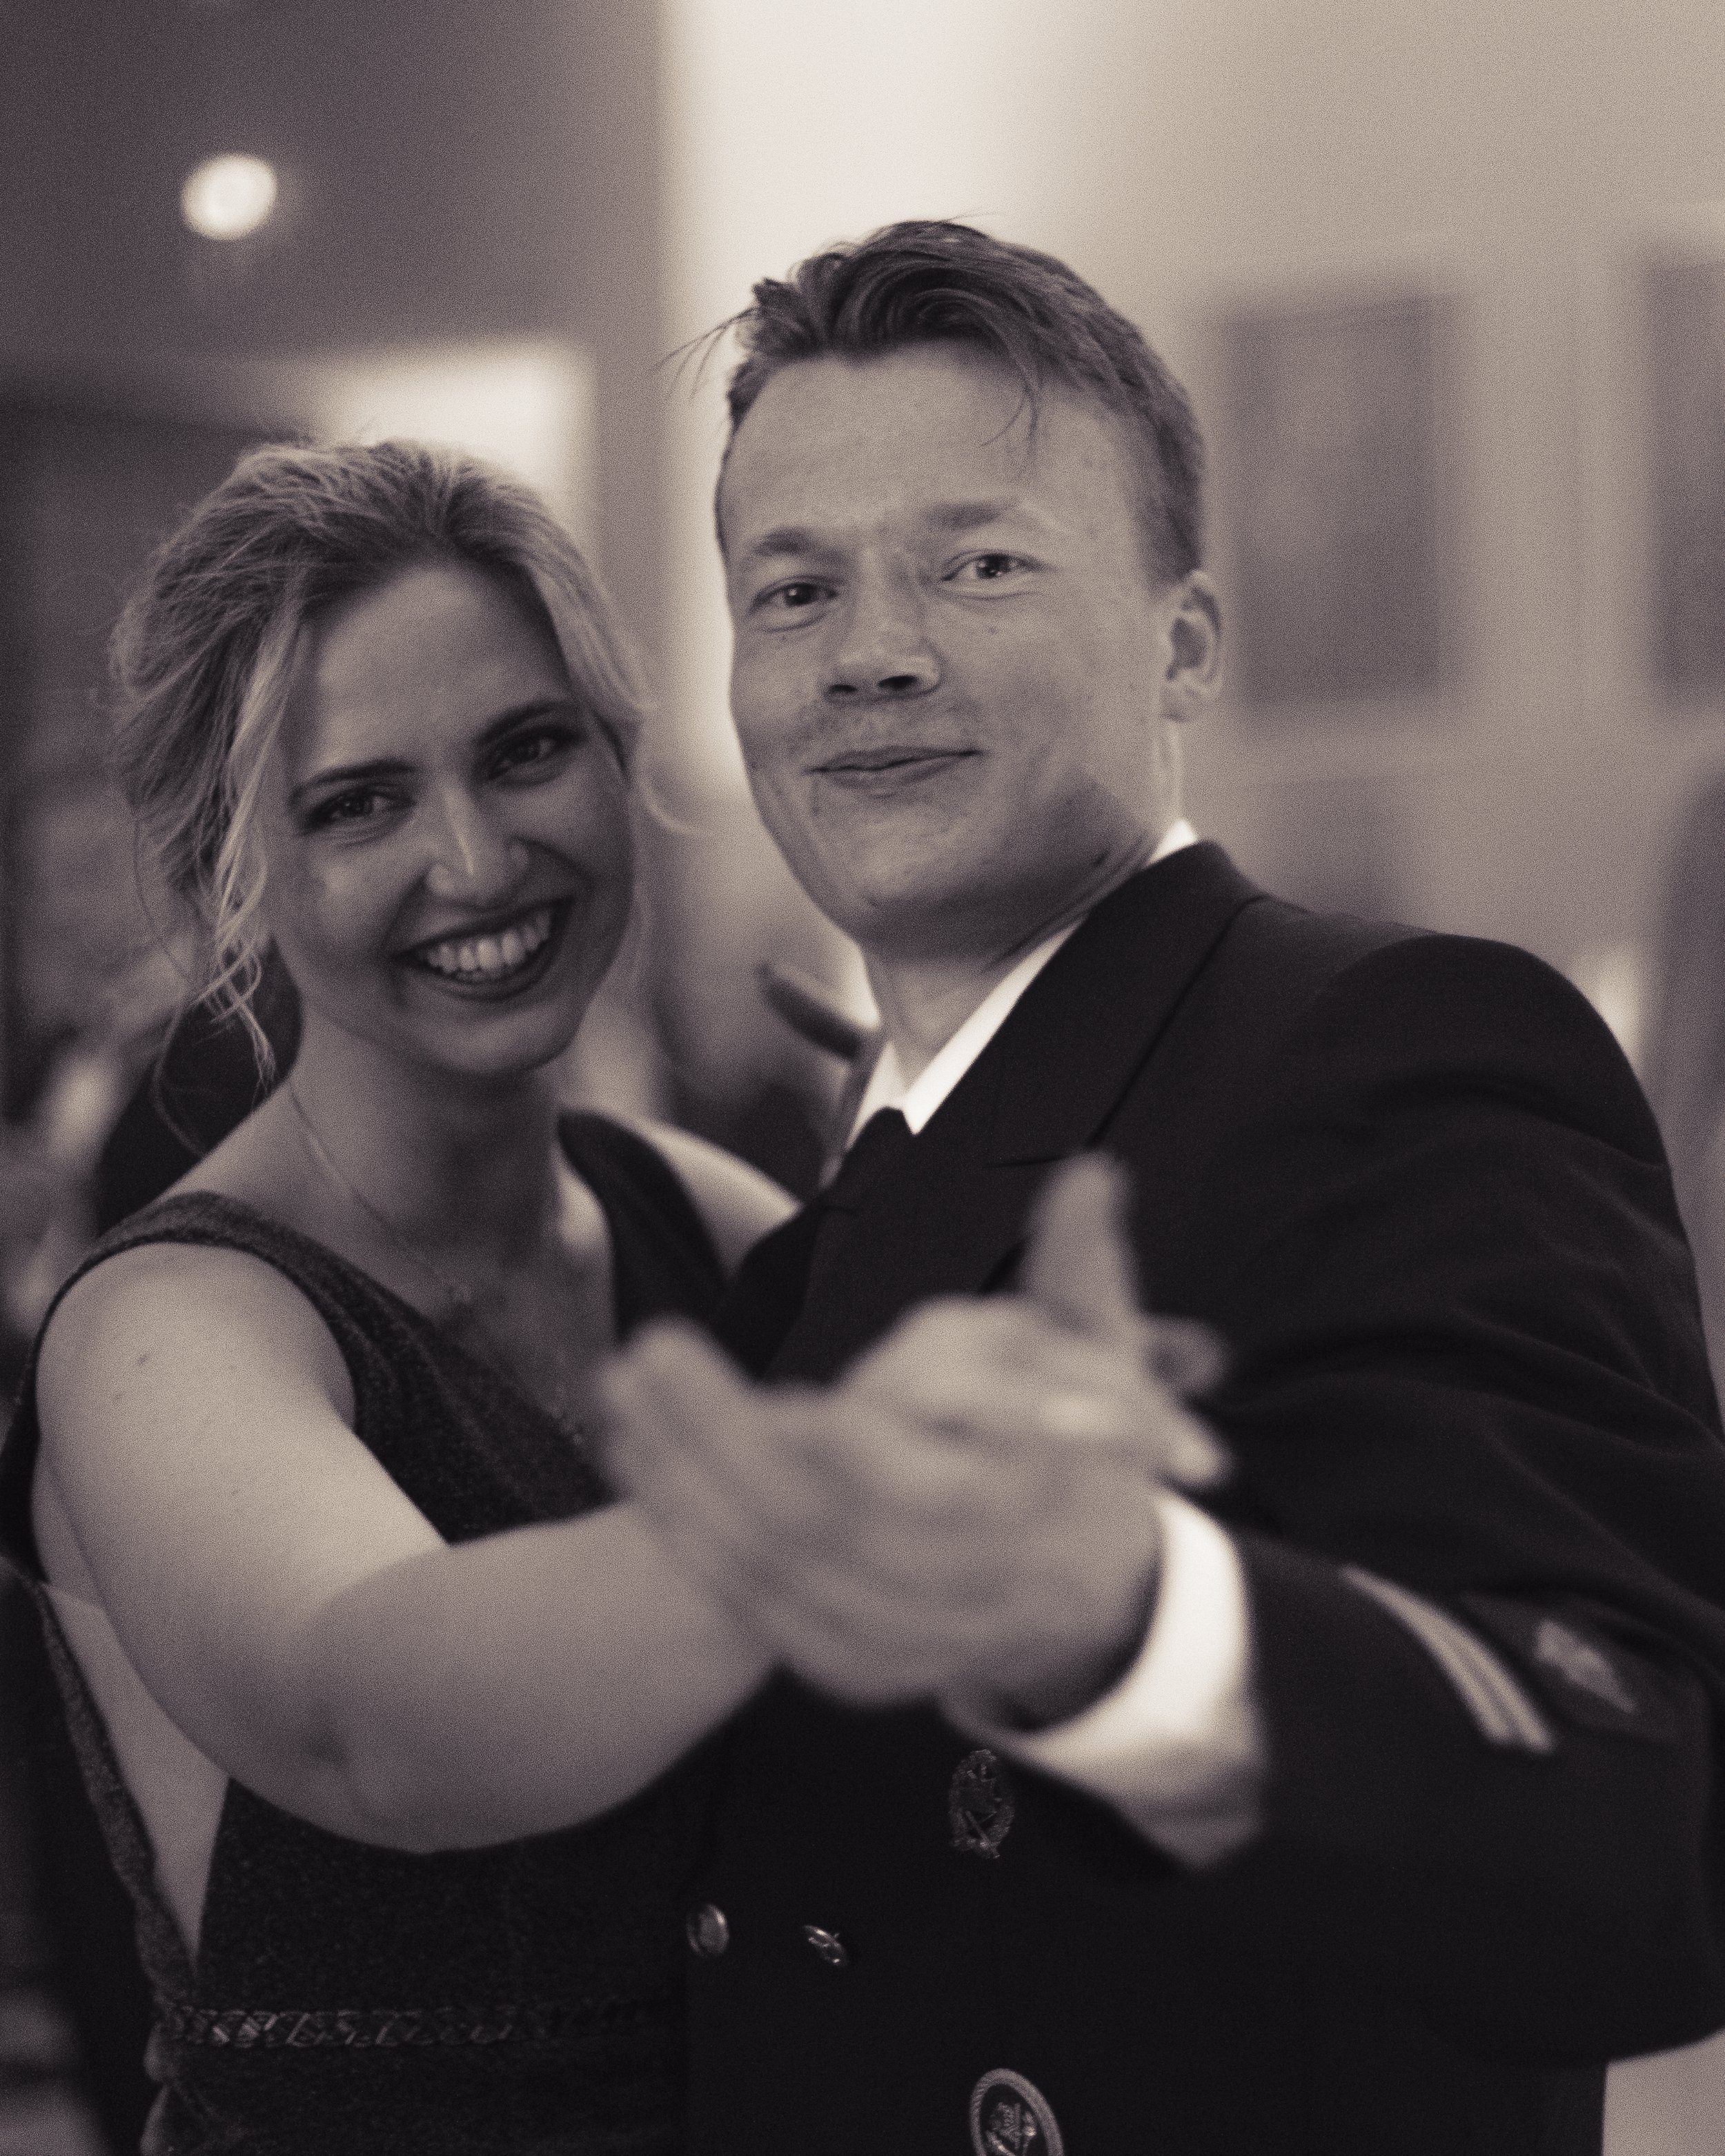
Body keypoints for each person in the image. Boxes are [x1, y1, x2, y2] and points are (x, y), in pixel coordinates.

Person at [598, 221, 1725, 2156]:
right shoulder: (827, 1224)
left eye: (978, 561)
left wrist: (1142, 1628)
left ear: (1185, 640)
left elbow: (1648, 1831)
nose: (871, 646)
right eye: (793, 588)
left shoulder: (1384, 1047)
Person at [0, 439, 1175, 2155]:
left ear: (622, 761)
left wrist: (964, 1168)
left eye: (526, 751)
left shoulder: (693, 1214)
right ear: (226, 874)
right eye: (358, 803)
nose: (477, 863)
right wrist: (854, 1467)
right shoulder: (174, 1328)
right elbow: (383, 1721)